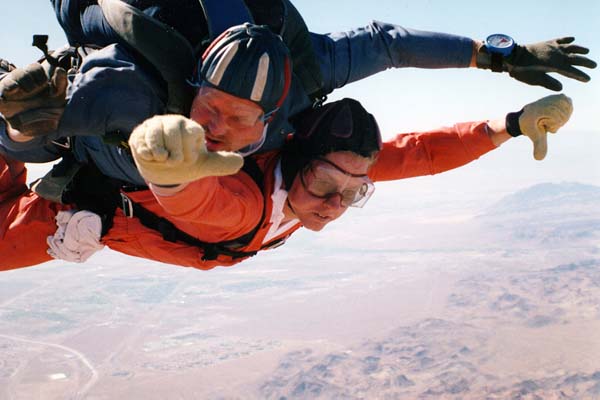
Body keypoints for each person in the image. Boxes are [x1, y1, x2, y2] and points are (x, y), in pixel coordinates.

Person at [0, 0, 595, 187]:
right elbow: (47, 141)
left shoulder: (305, 79)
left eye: (240, 119)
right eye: (210, 106)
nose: (218, 128)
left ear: (274, 114)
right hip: (125, 49)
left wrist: (500, 56)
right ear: (195, 81)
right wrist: (28, 125)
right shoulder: (141, 93)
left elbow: (387, 43)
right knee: (89, 133)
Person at [0, 94, 573, 271]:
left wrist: (510, 126)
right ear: (298, 161)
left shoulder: (331, 172)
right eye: (328, 184)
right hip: (68, 221)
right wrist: (172, 176)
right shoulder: (246, 208)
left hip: (105, 212)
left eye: (355, 191)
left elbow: (419, 153)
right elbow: (205, 205)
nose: (335, 204)